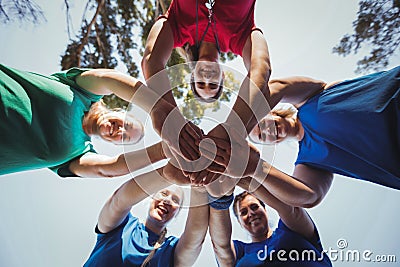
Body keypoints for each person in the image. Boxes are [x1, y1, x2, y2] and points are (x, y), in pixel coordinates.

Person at [202, 66, 400, 209]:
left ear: (271, 112)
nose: (269, 131)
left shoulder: (311, 96)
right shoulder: (309, 160)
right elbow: (308, 197)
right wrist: (254, 167)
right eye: (262, 136)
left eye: (261, 124)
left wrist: (231, 129)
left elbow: (277, 87)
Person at [141, 0, 272, 167]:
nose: (207, 79)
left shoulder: (177, 27)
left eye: (200, 83)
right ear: (222, 76)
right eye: (213, 85)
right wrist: (232, 129)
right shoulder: (241, 36)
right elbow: (261, 70)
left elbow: (151, 60)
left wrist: (167, 113)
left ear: (192, 74)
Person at [0, 64, 170, 178]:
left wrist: (163, 151)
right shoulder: (85, 92)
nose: (121, 131)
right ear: (119, 111)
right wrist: (157, 108)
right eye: (127, 124)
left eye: (125, 137)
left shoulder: (80, 154)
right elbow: (109, 79)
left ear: (116, 145)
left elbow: (107, 168)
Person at [83, 166, 209, 267]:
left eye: (175, 200)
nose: (167, 201)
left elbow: (195, 236)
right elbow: (118, 201)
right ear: (150, 197)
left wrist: (199, 183)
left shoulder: (171, 250)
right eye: (164, 193)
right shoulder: (123, 226)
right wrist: (167, 173)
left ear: (177, 213)